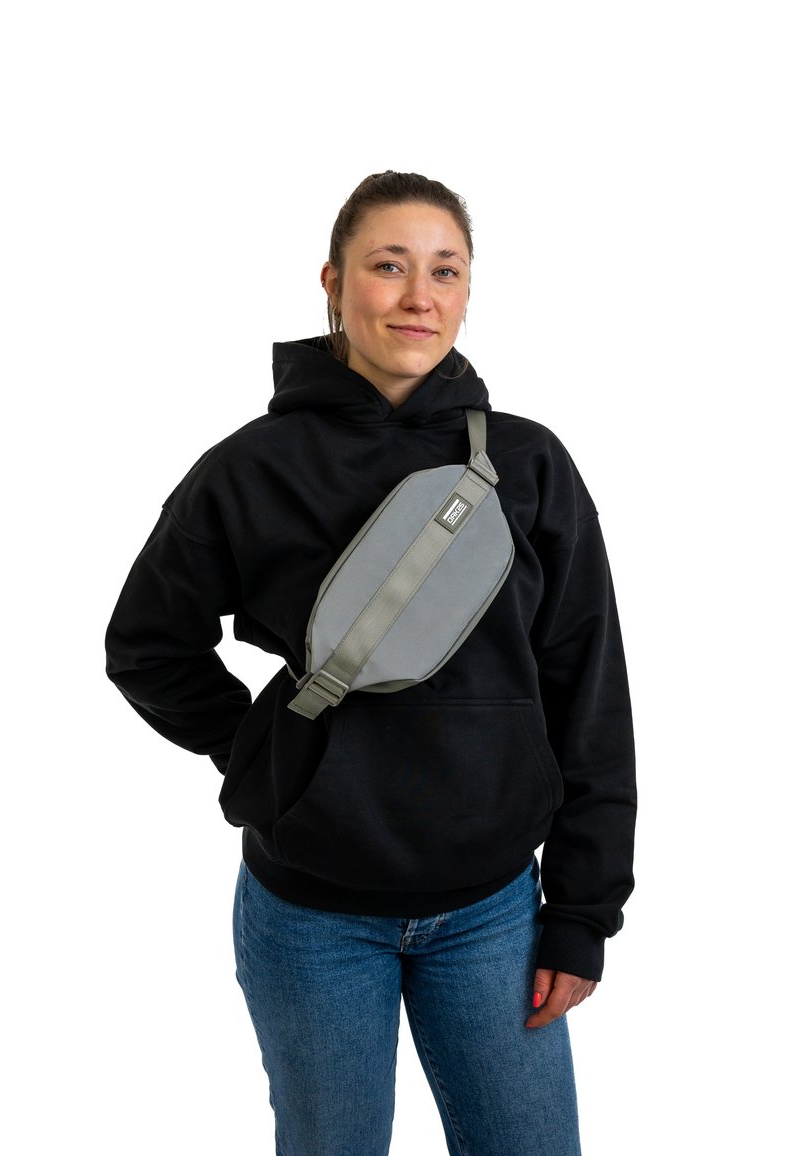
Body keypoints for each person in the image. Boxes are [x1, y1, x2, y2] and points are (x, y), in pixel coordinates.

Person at [105, 170, 636, 1155]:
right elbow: (144, 642)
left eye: (445, 270)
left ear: (468, 291)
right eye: (388, 266)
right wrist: (263, 754)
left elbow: (589, 691)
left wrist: (582, 909)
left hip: (493, 911)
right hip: (309, 914)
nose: (417, 296)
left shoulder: (529, 468)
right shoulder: (248, 470)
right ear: (334, 282)